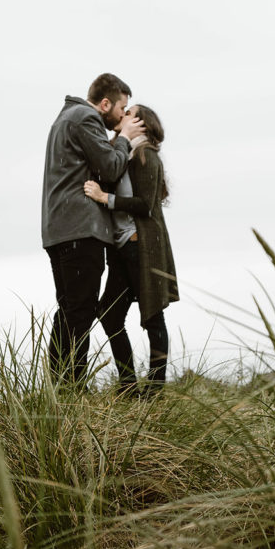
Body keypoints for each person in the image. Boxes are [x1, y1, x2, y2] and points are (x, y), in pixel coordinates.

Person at [41, 73, 145, 385]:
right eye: (121, 108)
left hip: (58, 228)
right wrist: (125, 137)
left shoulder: (65, 119)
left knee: (69, 309)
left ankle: (60, 387)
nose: (123, 116)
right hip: (80, 228)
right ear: (104, 103)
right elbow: (111, 166)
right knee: (81, 311)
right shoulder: (85, 118)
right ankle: (72, 385)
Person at [84, 104, 178, 395]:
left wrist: (104, 198)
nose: (121, 115)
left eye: (128, 112)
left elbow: (144, 205)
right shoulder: (125, 153)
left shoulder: (146, 154)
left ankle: (155, 389)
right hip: (122, 247)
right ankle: (128, 386)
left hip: (141, 246)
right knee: (110, 314)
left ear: (140, 122)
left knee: (152, 315)